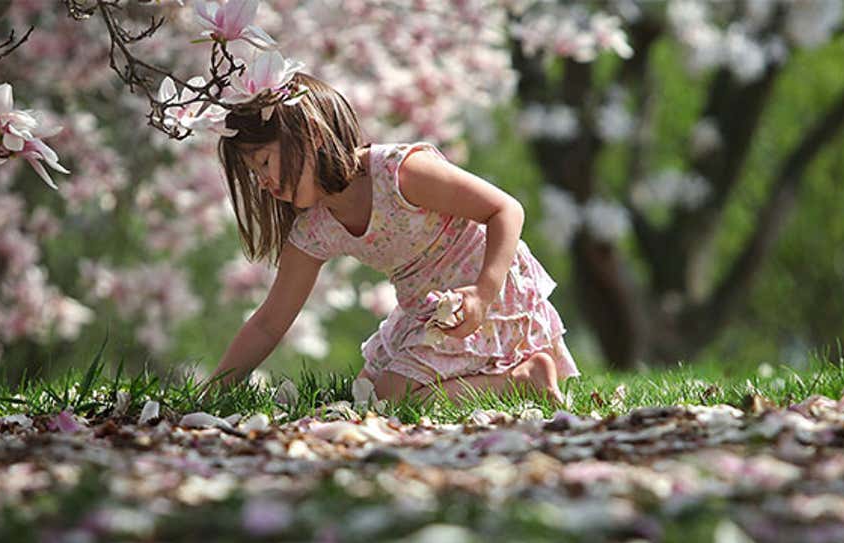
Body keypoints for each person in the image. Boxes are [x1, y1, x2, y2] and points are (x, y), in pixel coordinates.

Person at [204, 72, 580, 406]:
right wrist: (211, 394)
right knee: (366, 392)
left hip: (484, 285)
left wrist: (483, 294)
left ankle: (520, 380)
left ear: (312, 136)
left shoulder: (398, 173)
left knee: (393, 398)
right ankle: (493, 375)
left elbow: (505, 210)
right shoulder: (315, 228)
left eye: (265, 163)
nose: (264, 183)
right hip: (429, 306)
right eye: (255, 175)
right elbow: (270, 322)